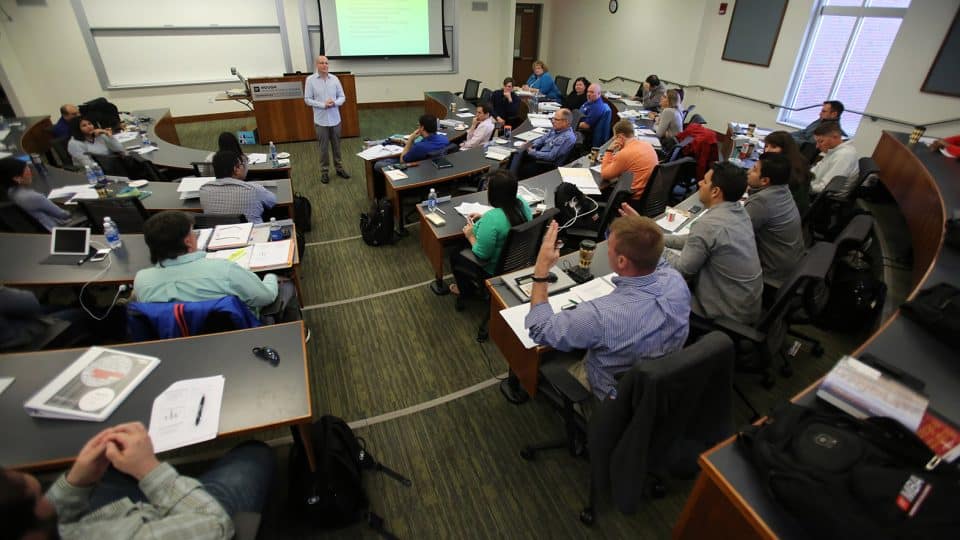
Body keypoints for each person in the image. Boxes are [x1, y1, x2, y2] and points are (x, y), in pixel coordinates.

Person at [0, 422, 274, 540]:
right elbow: (215, 525)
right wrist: (149, 470)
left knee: (111, 470)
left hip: (114, 517)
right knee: (253, 454)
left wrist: (76, 483)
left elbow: (53, 519)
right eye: (38, 497)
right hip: (199, 520)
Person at [525, 216, 691, 400]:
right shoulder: (676, 280)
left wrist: (541, 269)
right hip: (657, 384)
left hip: (611, 398)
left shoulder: (599, 315)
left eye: (608, 248)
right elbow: (656, 257)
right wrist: (637, 230)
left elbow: (540, 330)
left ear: (621, 261)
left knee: (547, 359)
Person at [134, 211, 290, 318]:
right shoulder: (224, 270)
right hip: (238, 334)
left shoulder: (141, 280)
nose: (195, 235)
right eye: (193, 231)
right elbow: (266, 297)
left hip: (179, 342)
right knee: (287, 287)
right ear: (187, 241)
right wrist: (270, 276)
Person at [663, 162, 763, 324]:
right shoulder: (739, 211)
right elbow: (692, 239)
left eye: (705, 182)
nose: (699, 184)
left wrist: (652, 246)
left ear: (715, 191)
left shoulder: (710, 225)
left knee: (654, 294)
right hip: (744, 305)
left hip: (724, 313)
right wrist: (659, 238)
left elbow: (682, 270)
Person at [448, 170, 532, 310]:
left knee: (456, 254)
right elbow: (505, 218)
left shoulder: (491, 220)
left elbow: (482, 254)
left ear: (494, 193)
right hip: (520, 260)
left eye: (488, 187)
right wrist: (486, 216)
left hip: (495, 268)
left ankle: (466, 291)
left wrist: (470, 236)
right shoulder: (522, 204)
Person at [744, 153, 804, 288]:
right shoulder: (782, 189)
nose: (749, 171)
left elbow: (733, 235)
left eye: (754, 169)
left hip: (771, 273)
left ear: (765, 181)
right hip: (789, 262)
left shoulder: (761, 201)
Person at [304, 55, 350, 184]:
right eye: (322, 63)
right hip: (321, 121)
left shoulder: (334, 79)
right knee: (323, 148)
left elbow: (342, 96)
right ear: (317, 65)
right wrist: (323, 104)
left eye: (326, 63)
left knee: (337, 147)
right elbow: (307, 99)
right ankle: (324, 172)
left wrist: (334, 103)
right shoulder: (310, 80)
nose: (325, 65)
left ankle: (339, 168)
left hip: (335, 119)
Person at [199, 150, 277, 224]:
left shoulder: (204, 190)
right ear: (236, 169)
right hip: (254, 234)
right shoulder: (253, 189)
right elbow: (272, 201)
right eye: (242, 164)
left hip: (219, 235)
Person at [0, 157, 71, 231]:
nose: (31, 172)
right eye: (27, 169)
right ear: (17, 178)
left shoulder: (10, 193)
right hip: (54, 230)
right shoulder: (33, 197)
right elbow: (63, 215)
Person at [600, 119, 658, 202]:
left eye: (615, 136)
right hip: (646, 195)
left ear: (620, 137)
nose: (613, 139)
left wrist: (609, 151)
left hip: (631, 198)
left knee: (599, 193)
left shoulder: (625, 153)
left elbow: (605, 174)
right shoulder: (647, 145)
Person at [516, 108, 577, 179]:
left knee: (519, 166)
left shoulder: (567, 138)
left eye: (556, 119)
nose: (553, 121)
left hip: (545, 165)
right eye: (553, 118)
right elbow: (542, 139)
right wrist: (532, 144)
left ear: (565, 122)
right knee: (519, 154)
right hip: (539, 155)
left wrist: (532, 152)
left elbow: (551, 156)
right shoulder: (556, 129)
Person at [763, 130, 814, 214]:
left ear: (785, 149)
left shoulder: (784, 168)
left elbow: (768, 193)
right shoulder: (799, 160)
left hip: (785, 211)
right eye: (766, 146)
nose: (767, 150)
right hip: (794, 210)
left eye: (774, 147)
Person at [809, 121, 858, 194]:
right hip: (815, 186)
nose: (817, 146)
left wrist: (803, 187)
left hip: (823, 196)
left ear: (835, 137)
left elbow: (826, 187)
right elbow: (817, 169)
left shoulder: (844, 156)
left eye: (821, 141)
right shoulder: (834, 150)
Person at [578, 83, 612, 148]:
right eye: (588, 91)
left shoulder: (597, 107)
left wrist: (572, 122)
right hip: (577, 122)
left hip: (582, 131)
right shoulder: (591, 101)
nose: (588, 94)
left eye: (592, 92)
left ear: (599, 94)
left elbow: (586, 126)